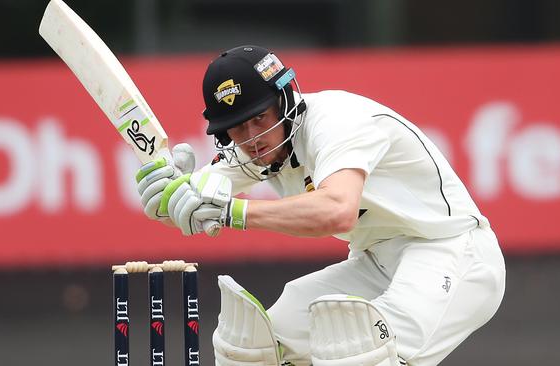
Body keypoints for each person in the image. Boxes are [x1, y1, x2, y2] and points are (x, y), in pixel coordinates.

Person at [136, 45, 506, 366]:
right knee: (254, 346)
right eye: (237, 128)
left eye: (259, 119)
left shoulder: (338, 123)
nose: (253, 139)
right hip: (376, 261)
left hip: (452, 251)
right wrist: (169, 200)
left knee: (366, 354)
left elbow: (336, 209)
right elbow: (199, 202)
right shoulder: (254, 149)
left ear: (284, 99)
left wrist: (234, 212)